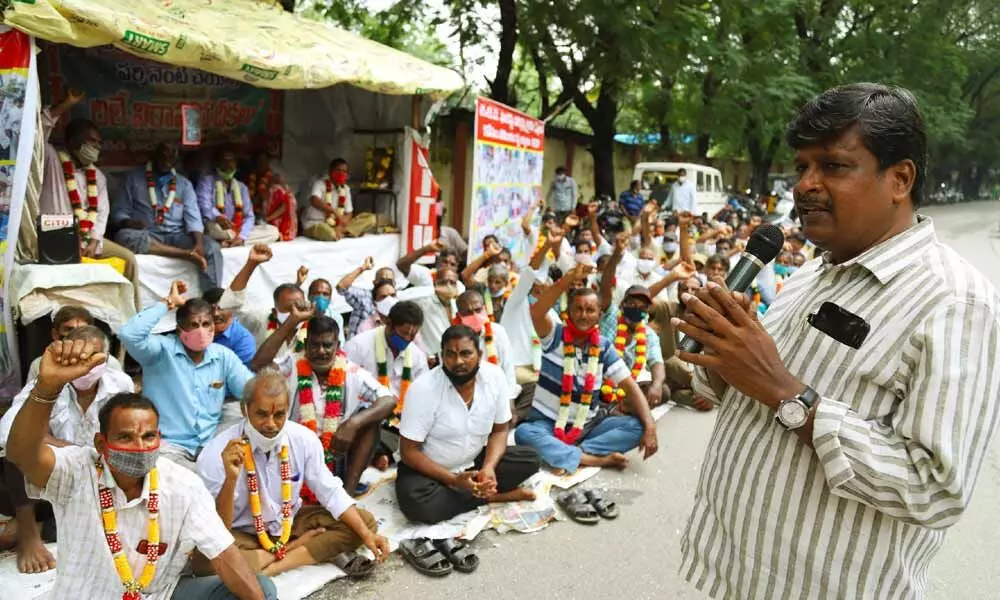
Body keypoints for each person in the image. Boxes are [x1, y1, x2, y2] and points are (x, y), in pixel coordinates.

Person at [677, 83, 1000, 599]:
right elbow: (739, 391)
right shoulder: (809, 272)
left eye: (833, 166)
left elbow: (936, 489)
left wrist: (789, 395)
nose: (805, 185)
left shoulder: (955, 303)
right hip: (731, 574)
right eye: (802, 166)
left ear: (899, 178)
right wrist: (721, 350)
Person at [5, 339, 275, 599]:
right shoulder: (77, 470)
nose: (139, 446)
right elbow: (21, 453)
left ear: (160, 439)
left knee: (260, 588)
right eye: (125, 437)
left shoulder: (182, 484)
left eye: (148, 437)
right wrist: (47, 387)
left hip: (159, 595)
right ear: (101, 443)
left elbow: (224, 554)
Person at [196, 371, 390, 579]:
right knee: (205, 561)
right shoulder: (215, 454)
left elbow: (330, 492)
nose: (271, 424)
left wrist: (368, 536)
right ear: (245, 410)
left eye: (279, 415)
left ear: (288, 410)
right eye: (261, 414)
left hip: (289, 523)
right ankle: (298, 547)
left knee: (364, 523)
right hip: (243, 534)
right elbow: (218, 528)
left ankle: (272, 566)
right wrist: (231, 479)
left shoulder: (302, 439)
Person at [0, 326, 132, 574]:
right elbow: (7, 436)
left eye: (94, 357)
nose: (86, 367)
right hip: (52, 474)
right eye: (79, 359)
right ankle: (29, 533)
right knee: (16, 456)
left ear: (106, 357)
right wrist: (67, 448)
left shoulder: (120, 383)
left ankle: (40, 527)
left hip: (99, 475)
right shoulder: (44, 384)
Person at [514, 266, 658, 474]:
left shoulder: (604, 347)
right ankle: (592, 459)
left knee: (638, 427)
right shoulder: (554, 336)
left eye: (590, 310)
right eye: (578, 309)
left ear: (599, 314)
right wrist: (566, 281)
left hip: (587, 426)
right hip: (547, 425)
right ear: (569, 313)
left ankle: (573, 453)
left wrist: (650, 426)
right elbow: (536, 312)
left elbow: (630, 386)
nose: (583, 315)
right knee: (524, 433)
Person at [396, 325, 540, 524]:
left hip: (475, 462)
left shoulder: (494, 377)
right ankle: (491, 496)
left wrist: (489, 468)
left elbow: (500, 430)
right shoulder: (423, 389)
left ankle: (472, 494)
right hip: (431, 471)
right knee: (417, 505)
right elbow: (409, 451)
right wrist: (454, 480)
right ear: (441, 356)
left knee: (530, 459)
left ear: (479, 354)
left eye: (466, 353)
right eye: (450, 355)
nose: (458, 362)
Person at [119, 281, 253, 468]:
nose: (201, 330)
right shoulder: (160, 350)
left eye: (206, 324)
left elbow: (250, 390)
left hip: (211, 443)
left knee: (240, 416)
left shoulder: (222, 355)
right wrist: (167, 304)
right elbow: (129, 334)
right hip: (169, 447)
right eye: (193, 325)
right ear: (178, 329)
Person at [39, 90, 140, 306]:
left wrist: (94, 241)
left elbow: (102, 212)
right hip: (54, 238)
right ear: (72, 141)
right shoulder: (50, 159)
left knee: (129, 260)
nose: (96, 148)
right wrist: (64, 105)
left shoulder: (98, 176)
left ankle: (133, 320)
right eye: (91, 142)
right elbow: (36, 133)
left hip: (89, 240)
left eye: (99, 143)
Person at [287, 317, 396, 495]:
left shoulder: (351, 371)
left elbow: (388, 399)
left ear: (337, 346)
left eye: (327, 345)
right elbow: (259, 364)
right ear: (306, 344)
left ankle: (347, 496)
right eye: (314, 345)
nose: (321, 351)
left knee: (370, 422)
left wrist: (353, 424)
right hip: (295, 457)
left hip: (335, 455)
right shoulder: (291, 365)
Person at [114, 142, 225, 291]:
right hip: (147, 234)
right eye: (164, 154)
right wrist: (130, 223)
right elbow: (119, 212)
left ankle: (212, 297)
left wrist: (198, 243)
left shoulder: (183, 184)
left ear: (177, 160)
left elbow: (194, 217)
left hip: (177, 235)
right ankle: (186, 254)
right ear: (155, 155)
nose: (168, 159)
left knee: (211, 247)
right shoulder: (133, 179)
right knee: (124, 236)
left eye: (173, 156)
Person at [343, 301, 430, 422]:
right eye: (404, 333)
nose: (408, 339)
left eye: (413, 335)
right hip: (363, 418)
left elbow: (424, 393)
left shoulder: (417, 356)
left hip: (401, 420)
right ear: (389, 324)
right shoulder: (358, 346)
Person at [197, 147, 278, 246]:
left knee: (273, 231)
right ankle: (231, 240)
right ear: (217, 163)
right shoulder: (207, 182)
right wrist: (217, 216)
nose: (228, 164)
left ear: (236, 163)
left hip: (236, 229)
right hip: (217, 227)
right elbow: (204, 207)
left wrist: (242, 236)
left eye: (232, 161)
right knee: (210, 227)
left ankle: (232, 241)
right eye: (224, 160)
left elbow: (249, 216)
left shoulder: (241, 187)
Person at [25, 305, 122, 383]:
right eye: (69, 330)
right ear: (55, 334)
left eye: (83, 330)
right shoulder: (41, 364)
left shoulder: (109, 362)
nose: (77, 335)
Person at [454, 290, 517, 400]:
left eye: (478, 310)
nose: (474, 315)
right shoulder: (453, 338)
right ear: (459, 315)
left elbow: (508, 368)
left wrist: (508, 399)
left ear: (484, 308)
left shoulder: (498, 332)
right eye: (467, 312)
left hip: (497, 393)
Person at [301, 158, 376, 240]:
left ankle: (340, 232)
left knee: (371, 219)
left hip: (337, 225)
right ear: (330, 172)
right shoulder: (320, 184)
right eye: (338, 170)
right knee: (326, 231)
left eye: (344, 172)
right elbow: (314, 200)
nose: (341, 174)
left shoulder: (346, 188)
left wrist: (340, 226)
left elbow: (349, 213)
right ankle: (344, 233)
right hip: (316, 223)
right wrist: (333, 212)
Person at [336, 256, 397, 337]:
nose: (385, 283)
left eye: (389, 280)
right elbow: (341, 286)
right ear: (374, 282)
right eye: (382, 280)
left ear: (395, 284)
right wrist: (362, 268)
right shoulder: (364, 297)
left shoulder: (398, 303)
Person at [245, 150, 297, 241]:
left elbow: (288, 203)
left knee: (276, 190)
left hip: (274, 221)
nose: (261, 164)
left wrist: (267, 219)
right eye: (259, 161)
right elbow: (251, 200)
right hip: (256, 218)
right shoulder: (251, 178)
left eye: (264, 161)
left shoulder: (276, 182)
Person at [202, 287, 257, 367]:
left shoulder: (243, 339)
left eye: (221, 308)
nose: (216, 314)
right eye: (211, 309)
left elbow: (242, 375)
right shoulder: (195, 329)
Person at [306, 277, 347, 345]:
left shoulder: (335, 317)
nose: (321, 297)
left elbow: (340, 344)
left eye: (325, 294)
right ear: (309, 296)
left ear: (330, 298)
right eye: (316, 293)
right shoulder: (301, 315)